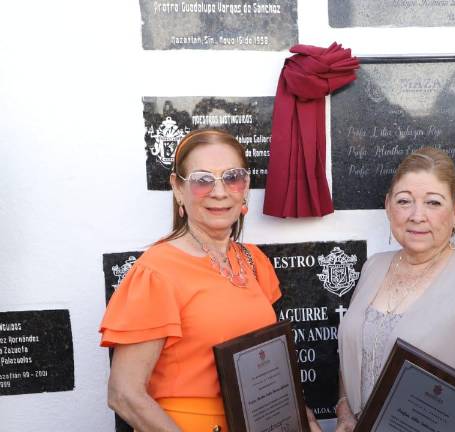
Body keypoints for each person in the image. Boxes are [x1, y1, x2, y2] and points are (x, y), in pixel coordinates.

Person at [100, 129, 320, 431]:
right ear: (178, 188)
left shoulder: (254, 262)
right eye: (203, 180)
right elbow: (124, 394)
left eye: (232, 177)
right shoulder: (157, 271)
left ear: (245, 188)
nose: (220, 192)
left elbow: (272, 370)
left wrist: (302, 418)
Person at [335, 147, 455, 430]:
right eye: (404, 201)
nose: (417, 215)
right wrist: (345, 412)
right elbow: (352, 350)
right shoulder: (373, 268)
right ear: (387, 205)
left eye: (433, 203)